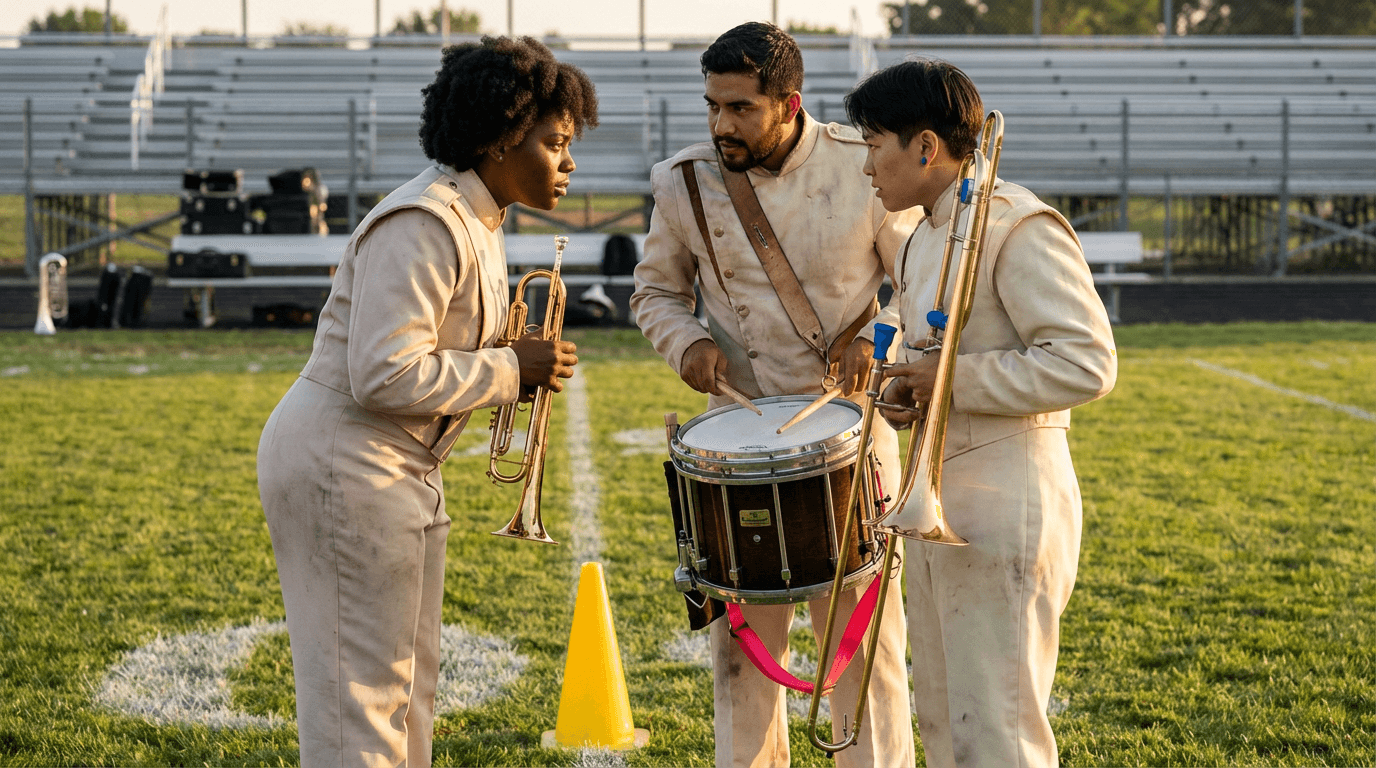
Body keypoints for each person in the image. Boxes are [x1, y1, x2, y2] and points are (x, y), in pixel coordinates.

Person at [256, 36, 596, 767]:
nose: (569, 163)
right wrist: (510, 368)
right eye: (555, 143)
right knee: (362, 702)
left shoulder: (476, 216)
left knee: (407, 691)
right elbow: (382, 374)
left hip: (395, 464)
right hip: (347, 458)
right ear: (503, 136)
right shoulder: (424, 221)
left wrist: (510, 356)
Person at [631, 22, 923, 768]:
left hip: (850, 434)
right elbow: (655, 294)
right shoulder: (682, 179)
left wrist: (879, 339)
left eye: (740, 109)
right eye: (712, 107)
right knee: (742, 656)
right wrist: (688, 344)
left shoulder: (864, 165)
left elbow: (923, 289)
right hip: (735, 435)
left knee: (865, 653)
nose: (721, 124)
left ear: (789, 103)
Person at [844, 59, 1117, 767]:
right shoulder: (921, 235)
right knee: (945, 719)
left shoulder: (1017, 222)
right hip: (937, 495)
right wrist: (912, 393)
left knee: (997, 733)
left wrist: (952, 379)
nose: (867, 165)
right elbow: (938, 362)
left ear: (926, 146)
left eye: (875, 144)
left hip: (1009, 492)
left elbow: (1087, 362)